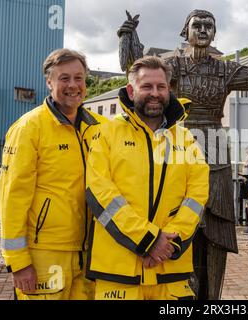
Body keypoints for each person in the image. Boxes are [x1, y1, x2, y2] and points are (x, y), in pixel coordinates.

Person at [167, 9, 248, 299]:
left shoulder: (225, 70)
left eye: (209, 26)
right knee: (176, 222)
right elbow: (137, 73)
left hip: (215, 144)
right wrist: (127, 39)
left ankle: (212, 298)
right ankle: (178, 297)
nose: (202, 30)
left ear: (215, 33)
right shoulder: (171, 66)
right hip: (178, 144)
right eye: (197, 25)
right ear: (184, 31)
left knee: (215, 228)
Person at [84, 56, 209, 300]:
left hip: (170, 271)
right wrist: (148, 240)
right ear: (131, 91)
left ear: (169, 90)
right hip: (118, 272)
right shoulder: (107, 134)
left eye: (161, 87)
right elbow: (101, 194)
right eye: (147, 87)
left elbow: (197, 196)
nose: (155, 93)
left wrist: (170, 243)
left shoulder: (187, 140)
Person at [0, 49, 105, 300]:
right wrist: (18, 261)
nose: (73, 85)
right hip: (44, 254)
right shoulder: (29, 128)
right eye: (64, 78)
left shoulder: (101, 128)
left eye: (78, 78)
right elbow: (12, 198)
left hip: (91, 254)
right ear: (49, 82)